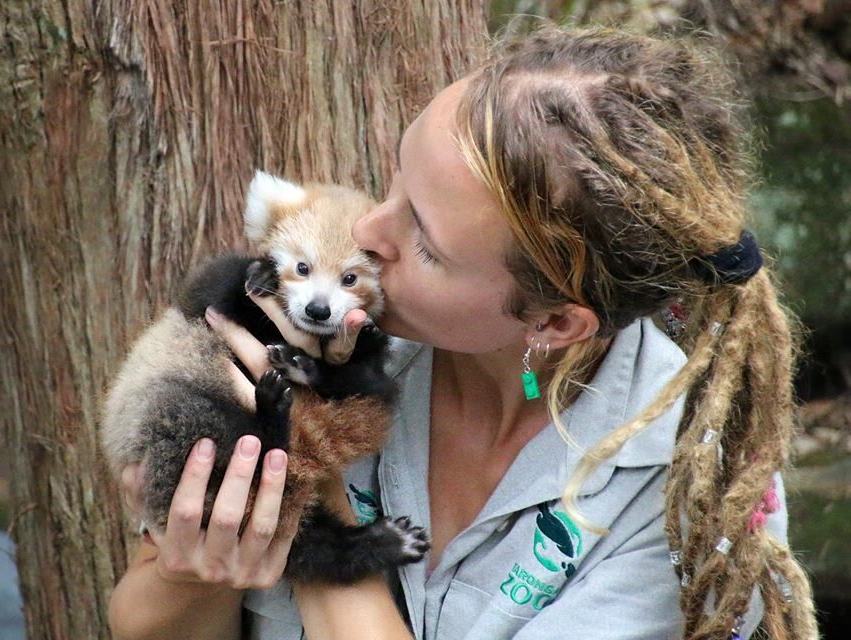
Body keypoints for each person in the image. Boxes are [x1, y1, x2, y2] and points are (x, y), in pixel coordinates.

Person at [107, 25, 818, 640]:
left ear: (556, 321)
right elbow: (143, 616)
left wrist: (310, 499)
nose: (365, 231)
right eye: (394, 184)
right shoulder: (325, 329)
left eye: (427, 245)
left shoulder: (684, 495)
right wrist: (193, 570)